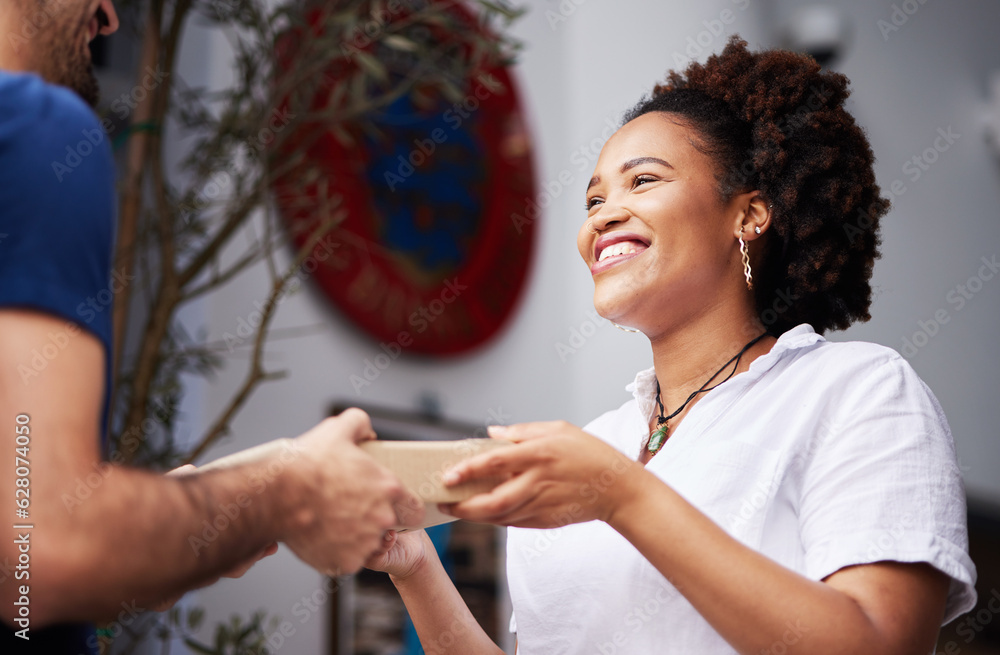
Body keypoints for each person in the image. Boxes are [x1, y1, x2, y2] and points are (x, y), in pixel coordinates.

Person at [366, 36, 978, 654]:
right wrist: (414, 567)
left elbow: (879, 643)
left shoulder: (856, 391)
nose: (602, 216)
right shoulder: (596, 445)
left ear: (749, 215)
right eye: (595, 199)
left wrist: (618, 494)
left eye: (643, 181)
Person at [0, 1, 422, 652]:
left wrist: (173, 530)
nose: (111, 16)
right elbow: (41, 550)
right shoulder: (34, 130)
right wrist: (287, 492)